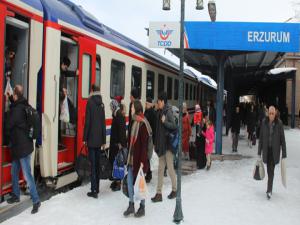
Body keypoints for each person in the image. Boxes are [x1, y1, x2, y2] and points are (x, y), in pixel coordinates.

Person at [6, 85, 41, 214]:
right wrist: (10, 100)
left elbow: (9, 124)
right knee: (14, 171)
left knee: (27, 175)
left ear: (16, 95)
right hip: (21, 146)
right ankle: (15, 195)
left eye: (13, 95)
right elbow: (16, 110)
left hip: (22, 148)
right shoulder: (23, 105)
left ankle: (36, 200)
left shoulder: (17, 110)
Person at [123, 100, 151, 218]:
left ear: (137, 108)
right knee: (129, 181)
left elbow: (144, 146)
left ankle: (142, 207)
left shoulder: (143, 124)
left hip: (139, 159)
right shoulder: (134, 121)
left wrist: (142, 162)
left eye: (132, 107)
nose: (131, 109)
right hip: (131, 158)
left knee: (140, 184)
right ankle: (131, 204)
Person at [151, 92, 177, 203]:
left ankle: (175, 190)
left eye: (158, 101)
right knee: (161, 169)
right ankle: (159, 193)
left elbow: (174, 126)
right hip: (162, 145)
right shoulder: (160, 111)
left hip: (168, 145)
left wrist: (165, 122)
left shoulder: (168, 111)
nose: (157, 103)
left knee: (170, 169)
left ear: (163, 101)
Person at [258, 106, 287, 200]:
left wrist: (284, 154)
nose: (271, 115)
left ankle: (269, 190)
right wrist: (259, 152)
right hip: (266, 151)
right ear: (268, 113)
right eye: (270, 113)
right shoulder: (264, 122)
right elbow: (261, 138)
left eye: (272, 113)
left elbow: (283, 139)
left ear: (275, 114)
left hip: (275, 151)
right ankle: (269, 188)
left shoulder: (279, 123)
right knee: (269, 171)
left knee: (271, 171)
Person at [83, 84, 106, 198]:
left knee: (93, 165)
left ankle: (93, 190)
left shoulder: (90, 103)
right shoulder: (101, 104)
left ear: (92, 91)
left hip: (91, 139)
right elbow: (103, 123)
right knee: (97, 163)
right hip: (99, 139)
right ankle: (97, 187)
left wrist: (84, 138)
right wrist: (103, 140)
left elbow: (87, 122)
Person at [59, 57, 79, 146]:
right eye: (66, 67)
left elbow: (66, 72)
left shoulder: (62, 70)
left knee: (70, 107)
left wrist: (75, 73)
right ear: (62, 64)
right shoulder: (57, 70)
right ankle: (73, 122)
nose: (66, 69)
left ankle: (73, 122)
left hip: (61, 96)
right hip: (59, 96)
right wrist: (61, 90)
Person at [109, 98, 127, 191]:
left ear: (114, 106)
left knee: (118, 163)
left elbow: (122, 131)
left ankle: (118, 182)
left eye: (111, 107)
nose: (110, 109)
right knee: (115, 162)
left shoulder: (119, 115)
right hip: (115, 143)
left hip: (118, 144)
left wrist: (121, 144)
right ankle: (116, 180)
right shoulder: (117, 114)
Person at [144, 97, 156, 183]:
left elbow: (154, 128)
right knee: (146, 156)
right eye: (145, 104)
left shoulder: (152, 113)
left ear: (150, 104)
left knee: (148, 156)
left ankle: (149, 173)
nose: (145, 105)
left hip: (150, 137)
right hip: (147, 137)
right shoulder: (147, 112)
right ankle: (147, 172)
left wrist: (154, 141)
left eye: (147, 104)